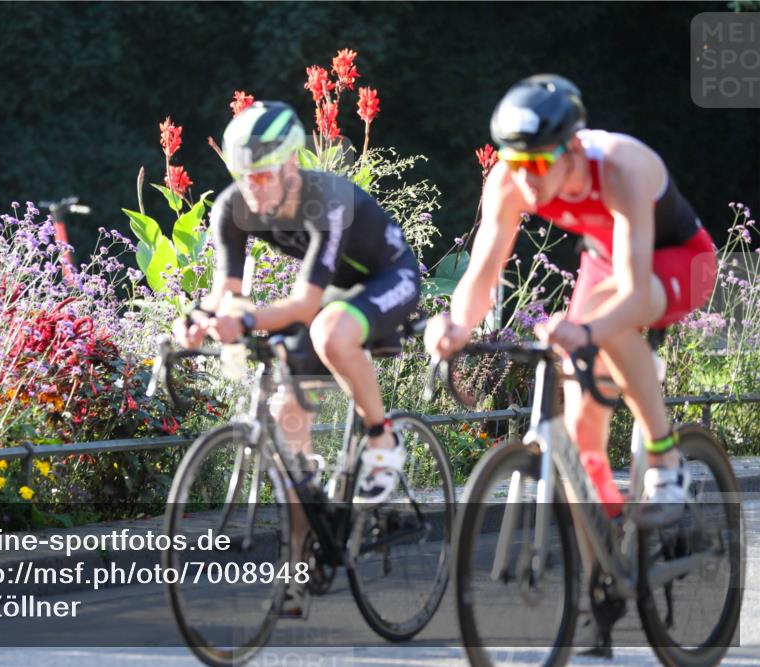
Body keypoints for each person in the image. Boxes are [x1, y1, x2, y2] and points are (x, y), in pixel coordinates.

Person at [424, 74, 717, 652]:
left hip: (680, 262)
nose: (526, 179)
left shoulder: (622, 167)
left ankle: (665, 460)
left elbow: (634, 292)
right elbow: (482, 273)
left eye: (539, 165)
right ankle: (601, 581)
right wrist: (456, 326)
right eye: (516, 163)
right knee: (581, 430)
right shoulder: (509, 179)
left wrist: (584, 328)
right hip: (611, 264)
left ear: (573, 149)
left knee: (607, 329)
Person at [172, 101, 420, 616]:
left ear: (291, 165)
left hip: (389, 279)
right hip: (338, 294)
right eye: (244, 176)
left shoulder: (326, 200)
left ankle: (382, 438)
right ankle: (301, 557)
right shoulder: (232, 207)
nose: (253, 188)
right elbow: (229, 293)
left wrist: (243, 321)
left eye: (263, 175)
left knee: (329, 331)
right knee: (288, 413)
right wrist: (197, 319)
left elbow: (305, 305)